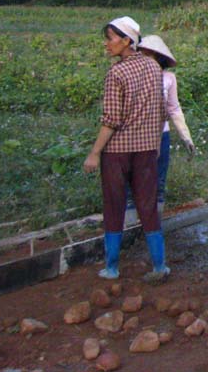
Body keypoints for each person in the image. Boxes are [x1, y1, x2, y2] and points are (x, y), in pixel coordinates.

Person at [82, 16, 169, 283]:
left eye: (110, 38)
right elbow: (160, 111)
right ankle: (159, 265)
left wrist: (95, 152)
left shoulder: (116, 73)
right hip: (145, 149)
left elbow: (111, 119)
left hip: (117, 151)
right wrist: (155, 144)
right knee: (148, 205)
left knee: (114, 205)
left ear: (127, 41)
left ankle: (112, 267)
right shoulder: (154, 67)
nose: (107, 44)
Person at [125, 35, 195, 226]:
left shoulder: (169, 79)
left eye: (149, 55)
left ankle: (154, 221)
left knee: (158, 176)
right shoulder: (129, 75)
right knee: (132, 175)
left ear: (158, 58)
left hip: (160, 134)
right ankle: (130, 221)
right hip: (134, 134)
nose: (144, 58)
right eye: (142, 54)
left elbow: (174, 108)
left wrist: (186, 136)